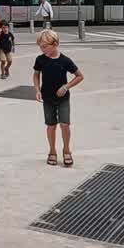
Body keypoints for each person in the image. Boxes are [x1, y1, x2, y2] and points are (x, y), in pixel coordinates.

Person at [32, 29, 83, 167]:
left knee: (65, 125)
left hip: (63, 98)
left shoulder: (65, 60)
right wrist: (37, 90)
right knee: (51, 125)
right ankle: (52, 151)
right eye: (40, 47)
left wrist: (66, 86)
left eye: (44, 46)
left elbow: (79, 76)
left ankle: (66, 150)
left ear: (55, 44)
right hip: (47, 98)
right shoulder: (40, 59)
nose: (42, 49)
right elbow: (36, 75)